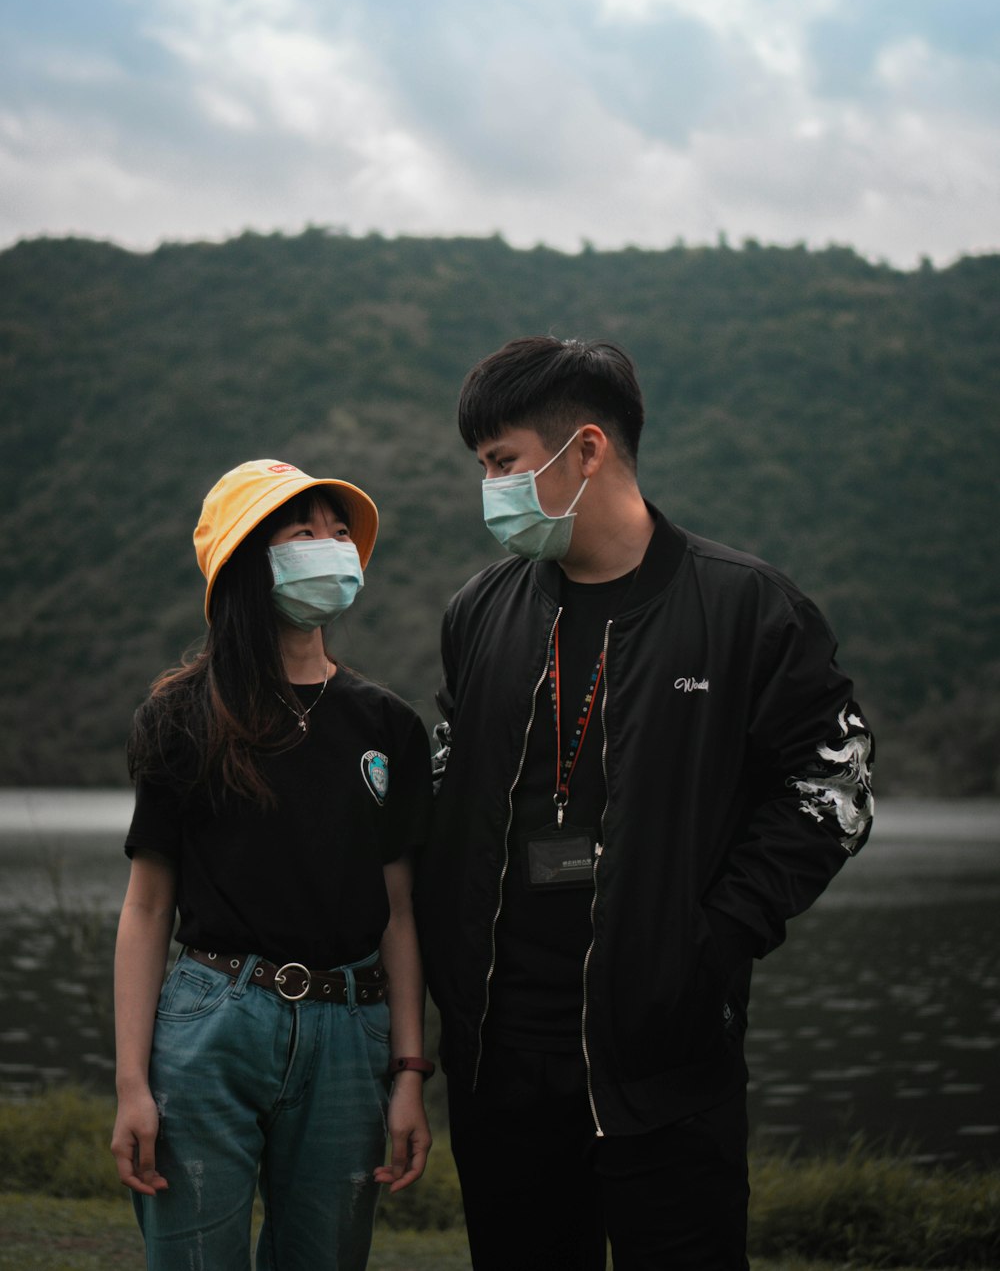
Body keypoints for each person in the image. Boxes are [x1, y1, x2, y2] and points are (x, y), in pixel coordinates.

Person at [416, 337, 874, 1271]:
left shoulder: (747, 608)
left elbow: (837, 783)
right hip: (499, 1058)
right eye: (483, 469)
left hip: (664, 1058)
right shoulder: (481, 610)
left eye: (503, 463)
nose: (491, 488)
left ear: (585, 450)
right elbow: (448, 772)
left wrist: (717, 937)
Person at [111, 458, 434, 1271]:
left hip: (349, 1027)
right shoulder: (183, 715)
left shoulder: (387, 724)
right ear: (249, 562)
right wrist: (131, 1086)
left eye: (339, 533)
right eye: (303, 533)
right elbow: (148, 907)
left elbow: (398, 908)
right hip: (213, 1019)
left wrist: (407, 1070)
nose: (331, 548)